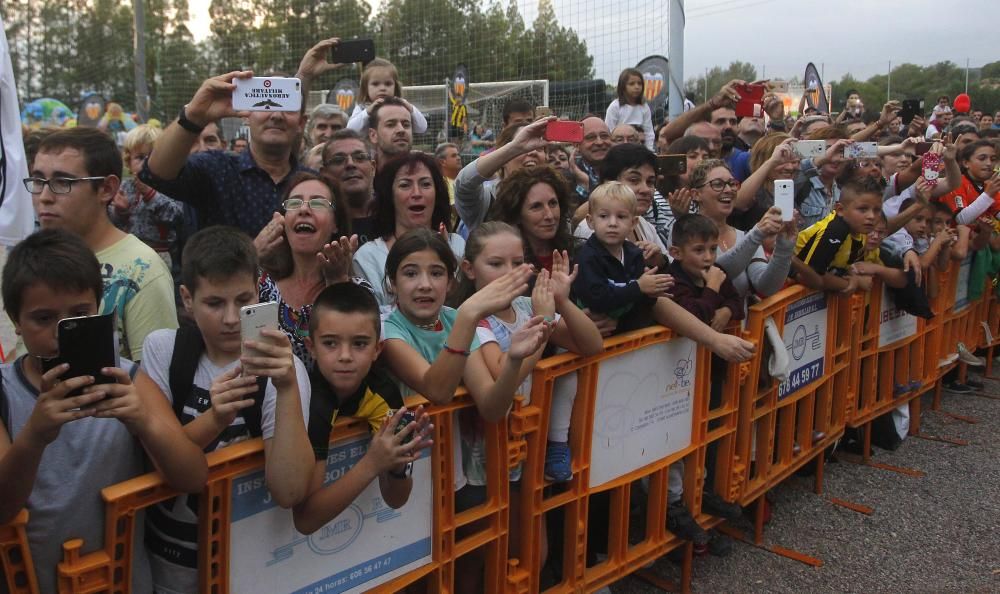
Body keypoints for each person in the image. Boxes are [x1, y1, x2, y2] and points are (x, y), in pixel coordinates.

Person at [0, 229, 207, 594]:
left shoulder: (128, 378)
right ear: (16, 321)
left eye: (79, 314)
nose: (60, 333)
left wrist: (142, 420)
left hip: (124, 581)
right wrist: (34, 436)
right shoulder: (5, 392)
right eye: (43, 318)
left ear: (98, 308)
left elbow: (192, 477)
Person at [141, 227, 313, 593]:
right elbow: (162, 460)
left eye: (244, 300)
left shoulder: (282, 370)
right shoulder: (163, 351)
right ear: (187, 299)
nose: (232, 318)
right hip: (170, 560)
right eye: (215, 303)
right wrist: (215, 418)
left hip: (250, 564)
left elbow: (290, 489)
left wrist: (286, 388)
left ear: (260, 290)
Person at [293, 282, 434, 535]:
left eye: (359, 344)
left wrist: (398, 465)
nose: (345, 356)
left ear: (377, 350)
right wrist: (373, 462)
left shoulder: (386, 394)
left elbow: (396, 499)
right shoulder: (312, 401)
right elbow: (305, 519)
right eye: (330, 343)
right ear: (311, 348)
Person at [27, 127, 178, 361]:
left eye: (62, 182)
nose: (44, 196)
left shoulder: (143, 270)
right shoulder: (29, 259)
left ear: (106, 189)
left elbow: (157, 380)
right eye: (38, 180)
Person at [571, 181, 756, 361]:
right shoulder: (587, 256)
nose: (612, 223)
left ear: (634, 222)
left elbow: (647, 303)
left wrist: (650, 288)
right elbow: (598, 296)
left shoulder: (634, 253)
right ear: (590, 221)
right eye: (604, 216)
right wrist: (639, 288)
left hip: (626, 341)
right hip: (590, 346)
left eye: (621, 217)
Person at [140, 70, 310, 236]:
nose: (276, 115)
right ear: (246, 115)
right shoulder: (215, 169)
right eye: (267, 103)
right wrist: (193, 115)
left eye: (287, 106)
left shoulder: (313, 183)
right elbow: (156, 173)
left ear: (301, 123)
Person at [253, 172, 372, 368]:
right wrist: (253, 254)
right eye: (294, 203)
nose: (304, 210)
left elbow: (349, 363)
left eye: (318, 204)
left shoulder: (359, 291)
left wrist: (337, 286)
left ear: (335, 224)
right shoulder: (259, 285)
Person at [353, 152, 464, 310]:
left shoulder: (457, 245)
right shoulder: (368, 257)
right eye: (405, 185)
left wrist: (448, 258)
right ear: (390, 196)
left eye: (425, 184)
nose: (417, 193)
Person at [688, 159, 794, 300]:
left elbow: (766, 287)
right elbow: (714, 274)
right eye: (718, 184)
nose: (728, 190)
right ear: (696, 194)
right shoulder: (683, 233)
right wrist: (757, 234)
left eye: (732, 184)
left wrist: (784, 248)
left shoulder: (743, 236)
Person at [454, 117, 553, 234]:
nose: (533, 152)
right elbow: (464, 184)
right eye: (525, 146)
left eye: (539, 148)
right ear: (503, 158)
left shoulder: (555, 198)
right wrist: (515, 147)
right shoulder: (487, 200)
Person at [573, 144, 668, 265]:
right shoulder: (591, 229)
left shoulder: (644, 224)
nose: (645, 189)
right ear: (609, 183)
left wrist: (660, 261)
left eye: (650, 182)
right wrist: (639, 284)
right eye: (634, 180)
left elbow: (670, 268)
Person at [109, 124, 185, 268]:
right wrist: (120, 211)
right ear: (128, 162)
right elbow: (113, 224)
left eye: (153, 156)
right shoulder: (125, 187)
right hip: (128, 252)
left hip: (160, 254)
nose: (147, 163)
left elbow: (176, 217)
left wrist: (150, 194)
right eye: (140, 157)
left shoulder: (170, 186)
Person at [794, 177, 888, 292]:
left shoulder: (861, 232)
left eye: (877, 210)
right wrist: (851, 283)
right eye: (863, 209)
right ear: (840, 210)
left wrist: (853, 276)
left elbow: (837, 269)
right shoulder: (835, 230)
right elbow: (811, 276)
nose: (871, 216)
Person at [487, 166, 577, 271]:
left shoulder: (576, 252)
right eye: (536, 206)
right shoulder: (507, 264)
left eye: (553, 203)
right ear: (516, 214)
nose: (549, 215)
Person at [730, 133, 799, 232]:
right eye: (781, 162)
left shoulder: (795, 186)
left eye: (794, 162)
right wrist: (772, 161)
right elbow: (738, 203)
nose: (790, 167)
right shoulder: (754, 191)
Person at [321, 129, 377, 244]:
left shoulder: (395, 215)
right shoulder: (319, 223)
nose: (351, 164)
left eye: (360, 157)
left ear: (373, 167)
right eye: (338, 160)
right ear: (324, 173)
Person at [346, 58, 428, 134]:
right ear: (365, 88)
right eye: (375, 84)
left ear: (395, 86)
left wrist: (410, 107)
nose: (382, 88)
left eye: (388, 84)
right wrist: (367, 112)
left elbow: (422, 128)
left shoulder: (400, 106)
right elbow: (350, 130)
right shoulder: (362, 107)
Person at [937, 140, 1000, 226]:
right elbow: (961, 220)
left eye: (993, 159)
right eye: (982, 158)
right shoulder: (956, 183)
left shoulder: (987, 186)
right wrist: (988, 195)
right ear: (966, 163)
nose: (989, 163)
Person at [604, 68, 655, 151]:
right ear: (623, 87)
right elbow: (609, 131)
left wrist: (649, 150)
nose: (637, 87)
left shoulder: (644, 107)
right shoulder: (615, 107)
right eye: (632, 84)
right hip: (619, 150)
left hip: (639, 149)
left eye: (639, 84)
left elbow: (649, 132)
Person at [368, 97, 414, 166]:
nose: (401, 130)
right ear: (373, 135)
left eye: (406, 125)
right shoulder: (364, 175)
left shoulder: (426, 172)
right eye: (390, 125)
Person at [575, 116, 613, 196]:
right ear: (577, 145)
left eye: (604, 136)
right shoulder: (568, 179)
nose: (599, 142)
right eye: (591, 138)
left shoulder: (623, 171)